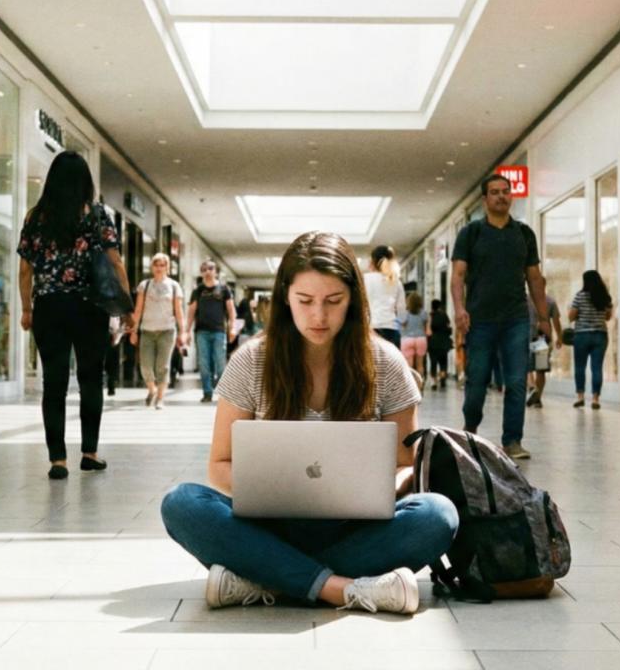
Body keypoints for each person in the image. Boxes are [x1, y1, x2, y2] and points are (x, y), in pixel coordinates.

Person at [160, 232, 458, 614]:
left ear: (353, 301)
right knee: (182, 503)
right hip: (270, 523)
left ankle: (266, 577)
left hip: (356, 526)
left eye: (334, 301)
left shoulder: (386, 363)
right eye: (305, 301)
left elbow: (406, 466)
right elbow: (219, 466)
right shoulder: (251, 361)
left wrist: (376, 487)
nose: (319, 315)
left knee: (438, 515)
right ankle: (342, 588)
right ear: (286, 297)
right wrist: (278, 490)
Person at [17, 151, 133, 480]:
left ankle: (57, 460)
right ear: (86, 181)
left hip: (49, 307)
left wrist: (27, 308)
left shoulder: (35, 217)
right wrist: (126, 309)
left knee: (53, 383)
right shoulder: (97, 215)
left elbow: (25, 269)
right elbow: (116, 263)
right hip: (88, 307)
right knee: (90, 380)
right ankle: (89, 453)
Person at [451, 174, 550, 461]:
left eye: (505, 192)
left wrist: (543, 317)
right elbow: (457, 276)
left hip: (516, 319)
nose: (501, 196)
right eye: (494, 192)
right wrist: (459, 309)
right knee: (477, 381)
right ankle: (470, 429)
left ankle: (513, 440)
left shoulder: (524, 233)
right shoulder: (471, 233)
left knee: (517, 381)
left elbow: (534, 277)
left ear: (511, 196)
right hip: (479, 319)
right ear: (485, 199)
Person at [130, 253, 185, 410]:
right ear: (152, 267)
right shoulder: (144, 285)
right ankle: (152, 389)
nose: (159, 268)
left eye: (162, 265)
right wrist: (133, 330)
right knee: (146, 366)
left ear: (167, 267)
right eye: (156, 265)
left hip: (167, 331)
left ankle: (160, 399)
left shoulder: (174, 286)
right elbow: (138, 309)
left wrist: (183, 332)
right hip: (147, 330)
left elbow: (179, 311)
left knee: (163, 366)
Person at [185, 260, 236, 403]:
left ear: (216, 271)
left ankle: (224, 395)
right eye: (204, 269)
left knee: (220, 364)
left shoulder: (224, 289)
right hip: (201, 332)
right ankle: (207, 392)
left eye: (211, 268)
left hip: (219, 332)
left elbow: (231, 311)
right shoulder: (198, 291)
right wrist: (186, 331)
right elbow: (191, 311)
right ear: (201, 272)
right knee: (204, 364)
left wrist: (232, 328)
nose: (207, 271)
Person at [569, 270, 613, 410]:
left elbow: (571, 316)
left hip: (582, 335)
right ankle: (595, 399)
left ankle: (580, 397)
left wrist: (577, 316)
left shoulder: (580, 296)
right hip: (600, 335)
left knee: (580, 367)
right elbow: (607, 317)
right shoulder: (605, 297)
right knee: (597, 368)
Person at [526, 277, 563, 408]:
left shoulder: (524, 301)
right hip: (542, 339)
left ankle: (531, 387)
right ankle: (538, 398)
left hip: (526, 337)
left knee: (526, 366)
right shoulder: (550, 301)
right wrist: (559, 336)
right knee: (540, 369)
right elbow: (556, 321)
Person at [363, 245, 406, 349]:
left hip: (370, 330)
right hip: (390, 329)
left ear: (372, 261)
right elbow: (402, 311)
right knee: (392, 364)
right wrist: (402, 321)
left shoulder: (364, 279)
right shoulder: (395, 281)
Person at [400, 292, 428, 380]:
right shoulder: (423, 313)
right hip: (420, 338)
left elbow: (402, 324)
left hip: (407, 339)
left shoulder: (406, 313)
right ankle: (420, 385)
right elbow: (425, 327)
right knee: (420, 365)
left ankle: (411, 386)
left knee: (409, 365)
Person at [426, 299, 452, 390]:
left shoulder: (430, 316)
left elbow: (428, 332)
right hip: (444, 341)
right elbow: (449, 328)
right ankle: (442, 376)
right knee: (443, 361)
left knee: (433, 361)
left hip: (433, 342)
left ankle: (434, 382)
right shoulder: (444, 315)